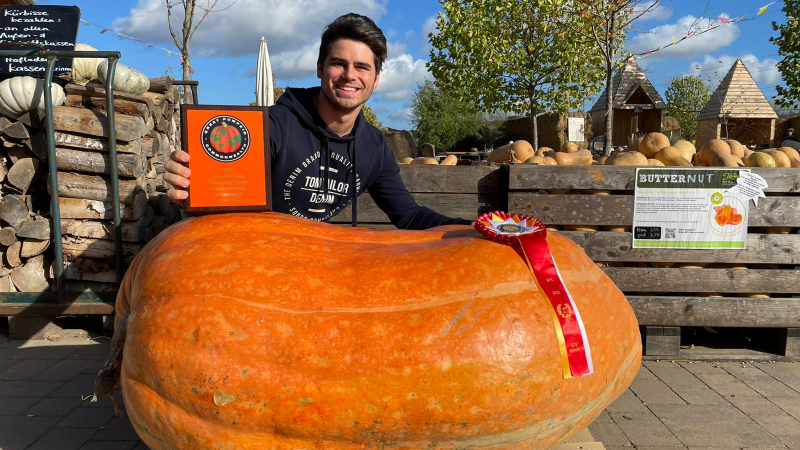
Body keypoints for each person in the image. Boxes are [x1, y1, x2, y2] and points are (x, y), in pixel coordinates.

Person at [165, 13, 471, 230]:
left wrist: (475, 229)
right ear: (320, 68)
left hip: (314, 268)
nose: (350, 75)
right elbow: (224, 202)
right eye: (339, 63)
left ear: (375, 80)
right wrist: (193, 190)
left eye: (362, 67)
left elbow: (409, 216)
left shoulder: (374, 148)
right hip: (253, 261)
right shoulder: (272, 127)